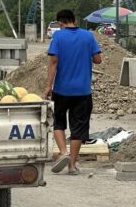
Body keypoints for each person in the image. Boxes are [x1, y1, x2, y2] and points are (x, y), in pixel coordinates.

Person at [43, 9, 102, 175]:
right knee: (79, 128)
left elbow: (53, 62)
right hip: (83, 91)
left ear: (60, 23)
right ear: (74, 20)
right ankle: (72, 166)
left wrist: (48, 86)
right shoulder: (88, 36)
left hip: (61, 90)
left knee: (58, 122)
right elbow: (98, 60)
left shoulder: (58, 37)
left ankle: (63, 153)